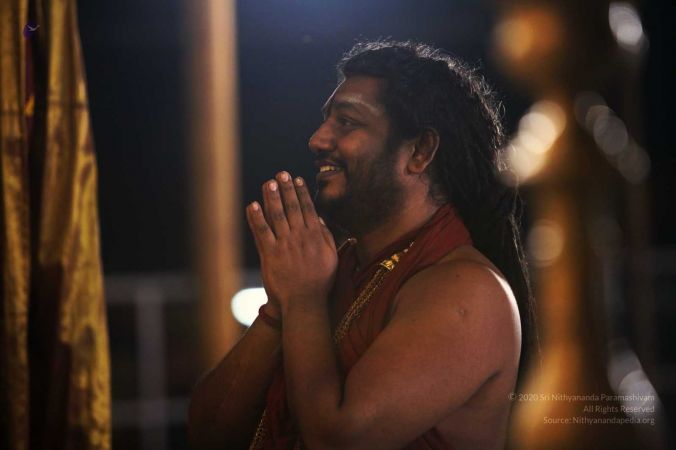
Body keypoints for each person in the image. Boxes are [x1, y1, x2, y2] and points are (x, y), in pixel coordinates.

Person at [188, 39, 537, 450]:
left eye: (347, 122)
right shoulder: (335, 271)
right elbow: (207, 434)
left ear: (420, 151)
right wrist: (280, 308)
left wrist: (303, 300)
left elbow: (336, 440)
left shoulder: (469, 290)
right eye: (326, 120)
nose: (317, 139)